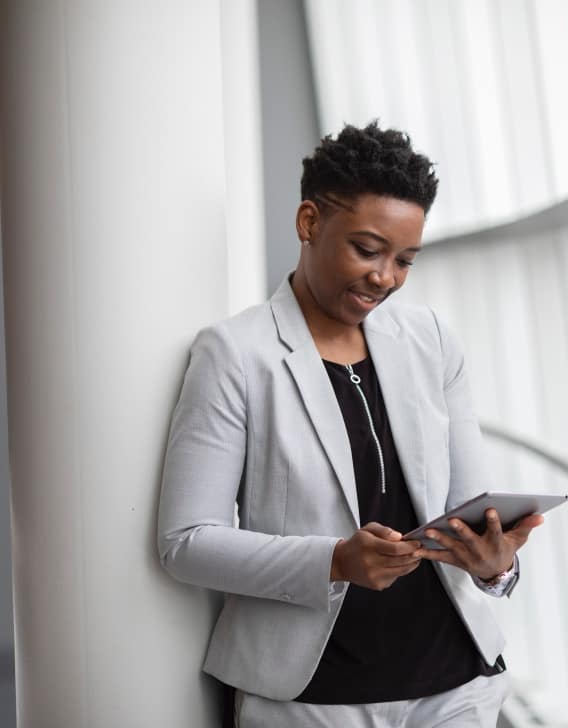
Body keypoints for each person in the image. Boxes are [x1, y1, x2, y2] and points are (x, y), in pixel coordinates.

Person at [157, 121, 543, 728]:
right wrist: (334, 560)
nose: (385, 276)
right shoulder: (235, 353)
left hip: (455, 684)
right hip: (312, 697)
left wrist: (496, 564)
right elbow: (186, 542)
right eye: (367, 249)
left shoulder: (432, 340)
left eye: (405, 260)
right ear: (309, 223)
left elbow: (465, 508)